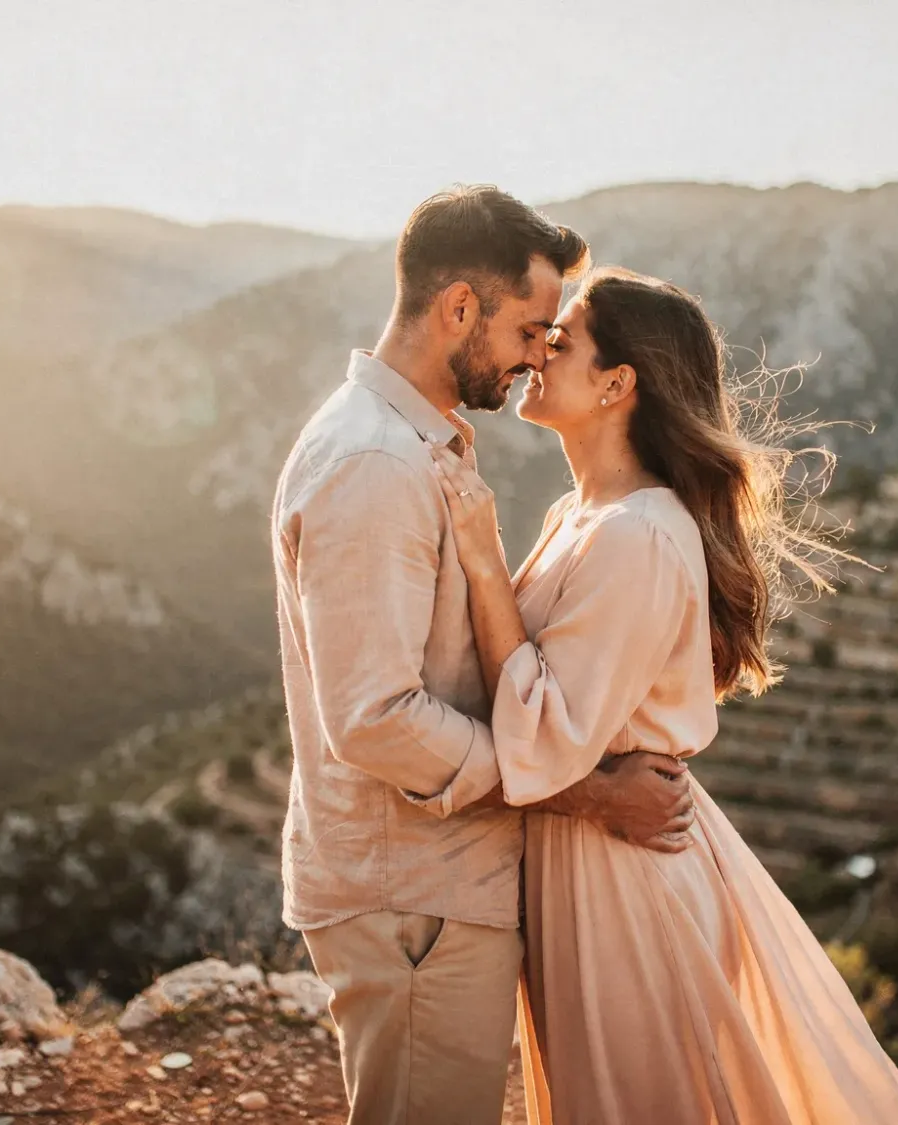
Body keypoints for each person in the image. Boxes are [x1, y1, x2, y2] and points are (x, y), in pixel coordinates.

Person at [430, 267, 898, 1123]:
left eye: (565, 340)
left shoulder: (637, 535)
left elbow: (546, 733)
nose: (539, 351)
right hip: (586, 855)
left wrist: (481, 560)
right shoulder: (577, 515)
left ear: (618, 383)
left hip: (623, 879)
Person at [271, 187, 696, 1125]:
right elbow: (374, 719)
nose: (540, 353)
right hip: (411, 888)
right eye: (532, 328)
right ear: (459, 308)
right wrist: (584, 789)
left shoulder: (410, 442)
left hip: (426, 882)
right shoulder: (378, 464)